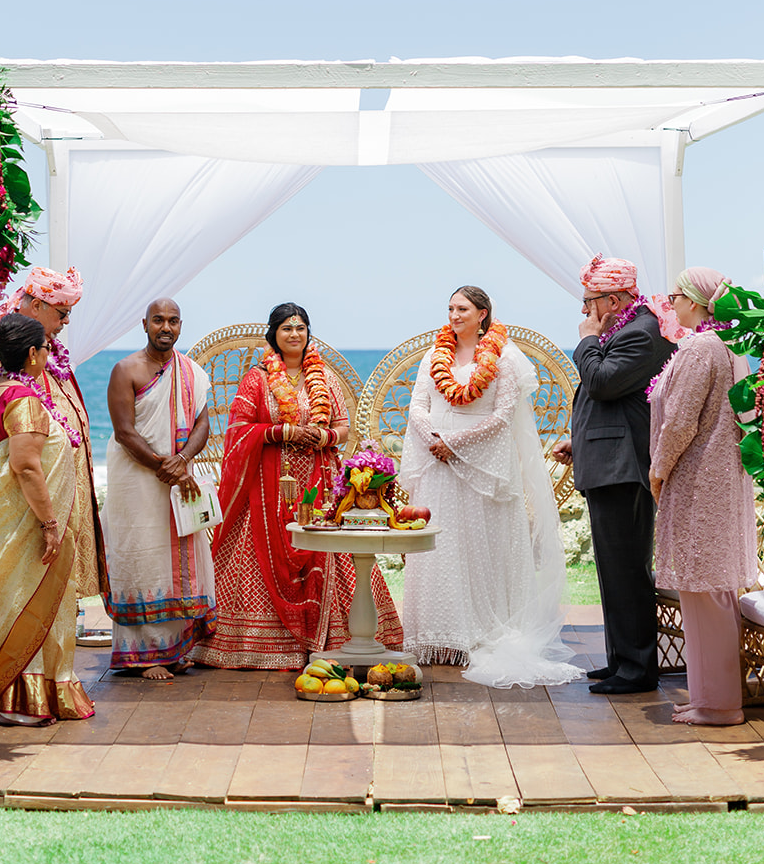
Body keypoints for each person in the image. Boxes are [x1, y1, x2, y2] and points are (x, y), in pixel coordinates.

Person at [192, 302, 402, 669]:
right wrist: (282, 431)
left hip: (319, 481)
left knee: (327, 549)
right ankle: (259, 644)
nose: (294, 334)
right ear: (273, 334)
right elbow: (238, 431)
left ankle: (335, 638)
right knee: (259, 556)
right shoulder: (257, 379)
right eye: (287, 328)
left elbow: (342, 426)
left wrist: (322, 437)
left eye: (301, 328)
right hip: (267, 486)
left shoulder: (325, 378)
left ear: (308, 334)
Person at [400, 286, 582, 687]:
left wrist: (455, 443)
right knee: (439, 549)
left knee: (476, 546)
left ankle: (478, 632)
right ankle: (439, 636)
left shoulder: (504, 358)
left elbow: (502, 417)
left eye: (462, 308)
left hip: (481, 467)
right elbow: (417, 404)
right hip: (437, 463)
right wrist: (435, 438)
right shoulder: (434, 356)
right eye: (449, 307)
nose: (453, 314)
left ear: (482, 314)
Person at [551, 254, 677, 695]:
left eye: (590, 302)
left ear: (617, 298)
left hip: (624, 469)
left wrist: (585, 341)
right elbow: (614, 402)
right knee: (613, 569)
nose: (585, 312)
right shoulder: (627, 327)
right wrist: (579, 441)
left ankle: (639, 669)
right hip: (609, 460)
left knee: (627, 569)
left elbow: (602, 381)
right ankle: (620, 660)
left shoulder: (642, 332)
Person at [649, 267, 757, 726]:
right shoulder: (731, 347)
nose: (670, 304)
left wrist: (658, 469)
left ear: (694, 302)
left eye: (675, 295)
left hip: (698, 481)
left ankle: (718, 705)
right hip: (723, 480)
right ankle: (709, 697)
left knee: (704, 591)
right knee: (713, 592)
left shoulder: (699, 348)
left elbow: (680, 421)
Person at [0, 313, 95, 723]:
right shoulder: (23, 400)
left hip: (9, 517)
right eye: (45, 347)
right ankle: (18, 700)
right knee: (26, 603)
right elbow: (26, 466)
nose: (49, 353)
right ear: (31, 354)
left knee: (9, 601)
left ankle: (20, 691)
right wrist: (49, 525)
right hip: (26, 523)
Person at [101, 298, 215, 678]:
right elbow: (124, 432)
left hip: (178, 479)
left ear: (181, 325)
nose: (166, 327)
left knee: (179, 556)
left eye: (173, 321)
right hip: (136, 481)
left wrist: (182, 463)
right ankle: (145, 655)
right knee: (142, 556)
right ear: (145, 324)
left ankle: (174, 647)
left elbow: (203, 425)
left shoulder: (193, 372)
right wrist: (165, 466)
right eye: (158, 320)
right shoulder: (126, 369)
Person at [0, 266, 107, 623]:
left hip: (57, 489)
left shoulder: (48, 351)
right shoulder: (3, 349)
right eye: (63, 313)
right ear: (38, 305)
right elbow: (10, 435)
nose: (68, 322)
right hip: (31, 497)